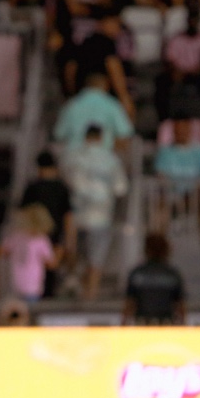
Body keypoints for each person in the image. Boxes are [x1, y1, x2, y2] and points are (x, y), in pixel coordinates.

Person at [64, 124, 128, 298]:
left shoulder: (74, 157)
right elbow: (120, 189)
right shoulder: (111, 159)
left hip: (78, 215)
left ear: (86, 137)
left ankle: (74, 284)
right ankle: (90, 295)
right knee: (96, 259)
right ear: (101, 137)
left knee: (76, 253)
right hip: (101, 216)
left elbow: (68, 182)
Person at [0, 205, 59, 304]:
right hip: (33, 286)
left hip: (15, 282)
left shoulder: (16, 236)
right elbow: (51, 264)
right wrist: (58, 254)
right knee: (30, 313)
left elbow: (2, 251)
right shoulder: (41, 240)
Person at [123, 232, 185, 324]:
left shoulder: (137, 274)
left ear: (146, 250)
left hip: (143, 323)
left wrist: (123, 324)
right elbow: (180, 306)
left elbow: (130, 303)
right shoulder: (172, 274)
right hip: (166, 323)